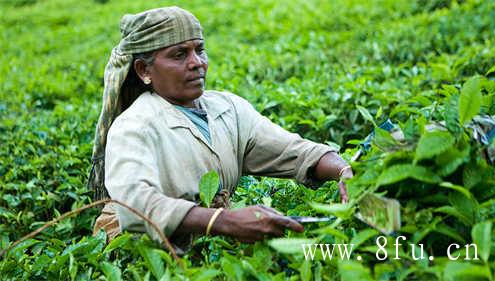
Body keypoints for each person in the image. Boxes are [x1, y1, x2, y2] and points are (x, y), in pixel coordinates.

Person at [89, 6, 353, 253]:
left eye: (199, 50)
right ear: (144, 69)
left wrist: (343, 171)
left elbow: (293, 151)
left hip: (207, 245)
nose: (197, 63)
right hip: (143, 251)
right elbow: (138, 205)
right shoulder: (134, 127)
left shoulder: (227, 108)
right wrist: (224, 220)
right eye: (179, 55)